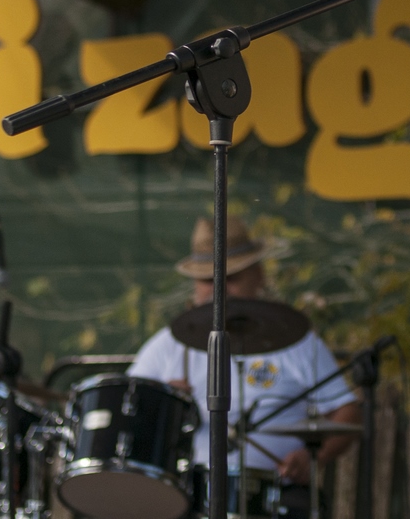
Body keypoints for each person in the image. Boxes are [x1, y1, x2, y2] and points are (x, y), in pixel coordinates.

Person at [129, 216, 361, 515]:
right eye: (208, 280)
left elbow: (346, 411)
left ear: (258, 275)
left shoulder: (297, 341)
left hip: (277, 494)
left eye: (231, 278)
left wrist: (314, 457)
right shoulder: (168, 345)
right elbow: (128, 410)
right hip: (189, 492)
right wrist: (161, 400)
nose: (219, 289)